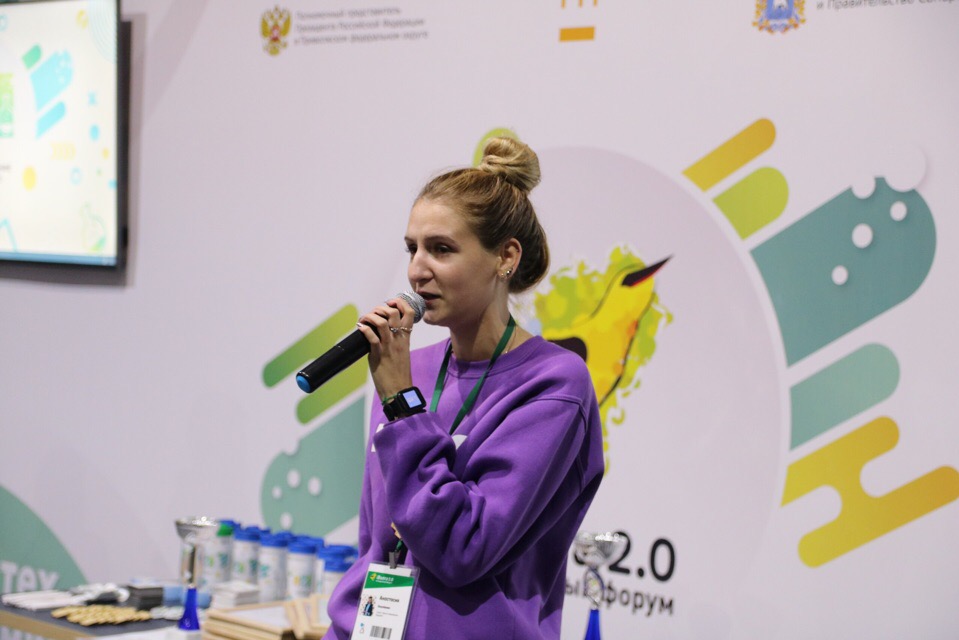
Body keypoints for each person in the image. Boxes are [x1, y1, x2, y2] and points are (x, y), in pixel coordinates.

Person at [322, 137, 605, 639]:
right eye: (412, 248)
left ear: (505, 258)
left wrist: (401, 405)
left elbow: (463, 548)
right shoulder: (410, 368)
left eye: (441, 249)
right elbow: (377, 541)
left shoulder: (554, 384)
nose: (417, 270)